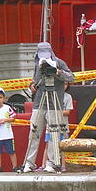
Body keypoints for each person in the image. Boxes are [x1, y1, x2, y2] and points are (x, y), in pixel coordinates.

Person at [19, 42, 75, 173]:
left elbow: (71, 77)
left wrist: (57, 72)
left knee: (54, 134)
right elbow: (34, 80)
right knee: (34, 133)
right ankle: (29, 163)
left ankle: (52, 162)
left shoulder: (59, 63)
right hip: (39, 103)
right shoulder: (37, 64)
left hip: (54, 104)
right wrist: (32, 85)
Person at [38, 83, 73, 171]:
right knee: (48, 145)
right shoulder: (50, 96)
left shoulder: (68, 97)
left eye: (65, 84)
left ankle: (63, 166)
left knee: (63, 146)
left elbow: (68, 112)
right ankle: (44, 165)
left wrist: (56, 112)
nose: (63, 86)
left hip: (62, 126)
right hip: (51, 125)